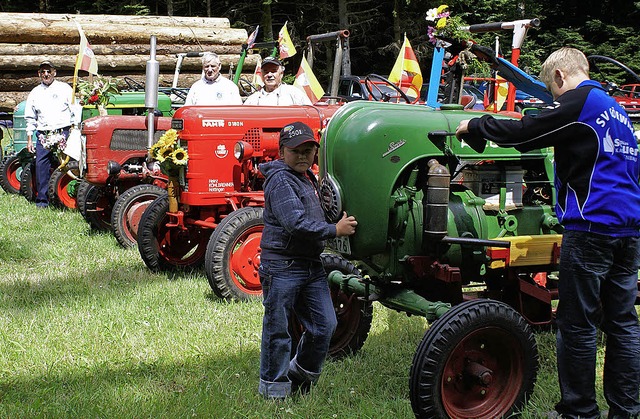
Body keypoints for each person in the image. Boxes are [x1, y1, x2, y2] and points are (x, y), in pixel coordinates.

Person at [456, 47, 640, 419]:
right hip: (629, 229)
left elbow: (527, 133)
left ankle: (579, 412)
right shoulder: (618, 110)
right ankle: (628, 410)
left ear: (559, 77)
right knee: (622, 324)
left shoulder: (580, 101)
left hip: (591, 229)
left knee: (577, 326)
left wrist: (475, 125)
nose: (555, 98)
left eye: (551, 90)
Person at [257, 121, 357, 399]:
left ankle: (300, 373)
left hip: (309, 264)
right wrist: (335, 229)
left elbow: (317, 214)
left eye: (308, 150)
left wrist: (334, 220)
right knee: (278, 330)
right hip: (282, 266)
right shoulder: (280, 180)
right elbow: (295, 223)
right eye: (296, 151)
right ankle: (273, 391)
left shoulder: (307, 177)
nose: (302, 156)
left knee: (326, 324)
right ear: (281, 152)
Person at [25, 60, 78, 208]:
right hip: (44, 133)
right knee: (41, 165)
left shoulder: (64, 88)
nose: (46, 74)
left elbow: (75, 109)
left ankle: (69, 197)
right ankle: (43, 200)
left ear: (54, 72)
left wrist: (75, 127)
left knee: (69, 163)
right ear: (39, 74)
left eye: (49, 71)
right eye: (43, 72)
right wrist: (29, 138)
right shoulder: (35, 93)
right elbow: (30, 117)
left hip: (64, 131)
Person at [244, 57, 312, 106]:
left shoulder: (294, 93)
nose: (269, 75)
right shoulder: (253, 99)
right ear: (262, 75)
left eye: (274, 71)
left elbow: (309, 113)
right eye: (266, 72)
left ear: (281, 74)